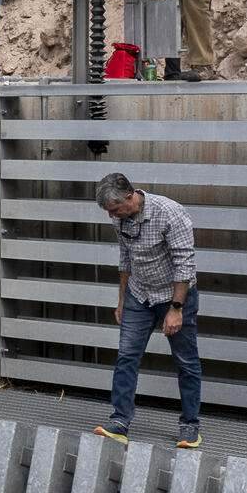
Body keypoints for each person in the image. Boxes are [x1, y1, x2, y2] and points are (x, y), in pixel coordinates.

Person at [93, 172, 201, 450]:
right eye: (109, 212)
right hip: (139, 295)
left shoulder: (170, 213)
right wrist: (121, 300)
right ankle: (119, 421)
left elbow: (185, 265)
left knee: (186, 361)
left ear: (130, 197)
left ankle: (190, 426)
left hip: (173, 296)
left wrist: (176, 309)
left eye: (115, 209)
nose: (112, 216)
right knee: (126, 356)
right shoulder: (120, 217)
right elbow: (125, 258)